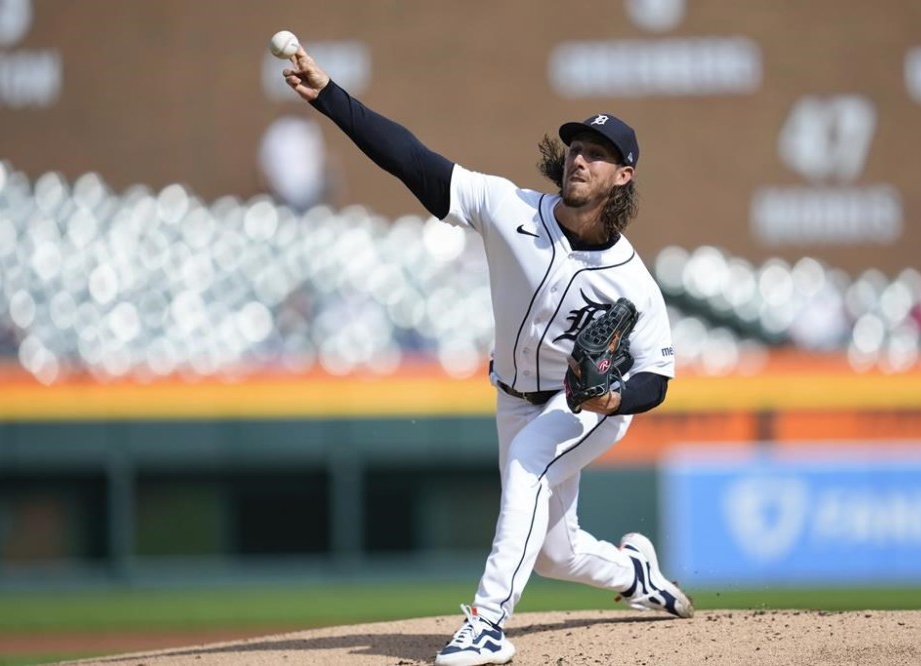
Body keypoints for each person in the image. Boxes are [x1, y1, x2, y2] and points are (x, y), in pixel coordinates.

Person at [282, 44, 694, 666]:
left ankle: (487, 624)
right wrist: (331, 97)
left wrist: (612, 398)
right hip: (511, 397)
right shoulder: (511, 209)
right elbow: (413, 160)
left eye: (598, 154)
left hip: (582, 406)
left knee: (532, 460)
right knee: (555, 551)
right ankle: (636, 574)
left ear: (623, 176)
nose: (581, 158)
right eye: (578, 147)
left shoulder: (633, 283)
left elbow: (656, 377)